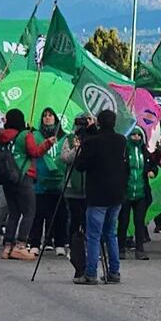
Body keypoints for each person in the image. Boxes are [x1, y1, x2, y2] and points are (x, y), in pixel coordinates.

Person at [74, 110, 128, 284]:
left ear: (98, 122)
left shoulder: (93, 142)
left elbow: (80, 165)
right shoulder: (121, 141)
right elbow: (104, 142)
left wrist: (85, 139)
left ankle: (91, 273)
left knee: (94, 235)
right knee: (111, 233)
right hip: (116, 193)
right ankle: (114, 271)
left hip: (97, 194)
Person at [0, 109, 55, 261]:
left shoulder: (2, 137)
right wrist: (47, 143)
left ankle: (8, 246)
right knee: (29, 212)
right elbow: (34, 152)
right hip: (24, 177)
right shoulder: (25, 135)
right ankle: (20, 246)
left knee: (13, 212)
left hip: (8, 179)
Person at [28, 108, 68, 256]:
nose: (47, 118)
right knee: (38, 214)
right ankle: (35, 243)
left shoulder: (64, 137)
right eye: (44, 115)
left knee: (60, 214)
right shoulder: (36, 135)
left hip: (59, 181)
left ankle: (59, 243)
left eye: (50, 115)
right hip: (40, 181)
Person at [59, 115, 92, 280]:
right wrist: (76, 149)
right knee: (74, 218)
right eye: (78, 123)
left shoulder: (92, 139)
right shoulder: (69, 138)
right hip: (72, 186)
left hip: (89, 186)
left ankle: (86, 246)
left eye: (83, 124)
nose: (80, 127)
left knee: (87, 219)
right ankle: (72, 245)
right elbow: (64, 157)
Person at [118, 128, 157, 260]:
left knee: (140, 222)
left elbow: (153, 165)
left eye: (138, 135)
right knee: (123, 221)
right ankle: (120, 248)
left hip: (141, 191)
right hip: (126, 191)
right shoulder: (124, 151)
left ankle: (140, 249)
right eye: (133, 134)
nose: (136, 137)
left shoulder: (144, 151)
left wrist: (152, 171)